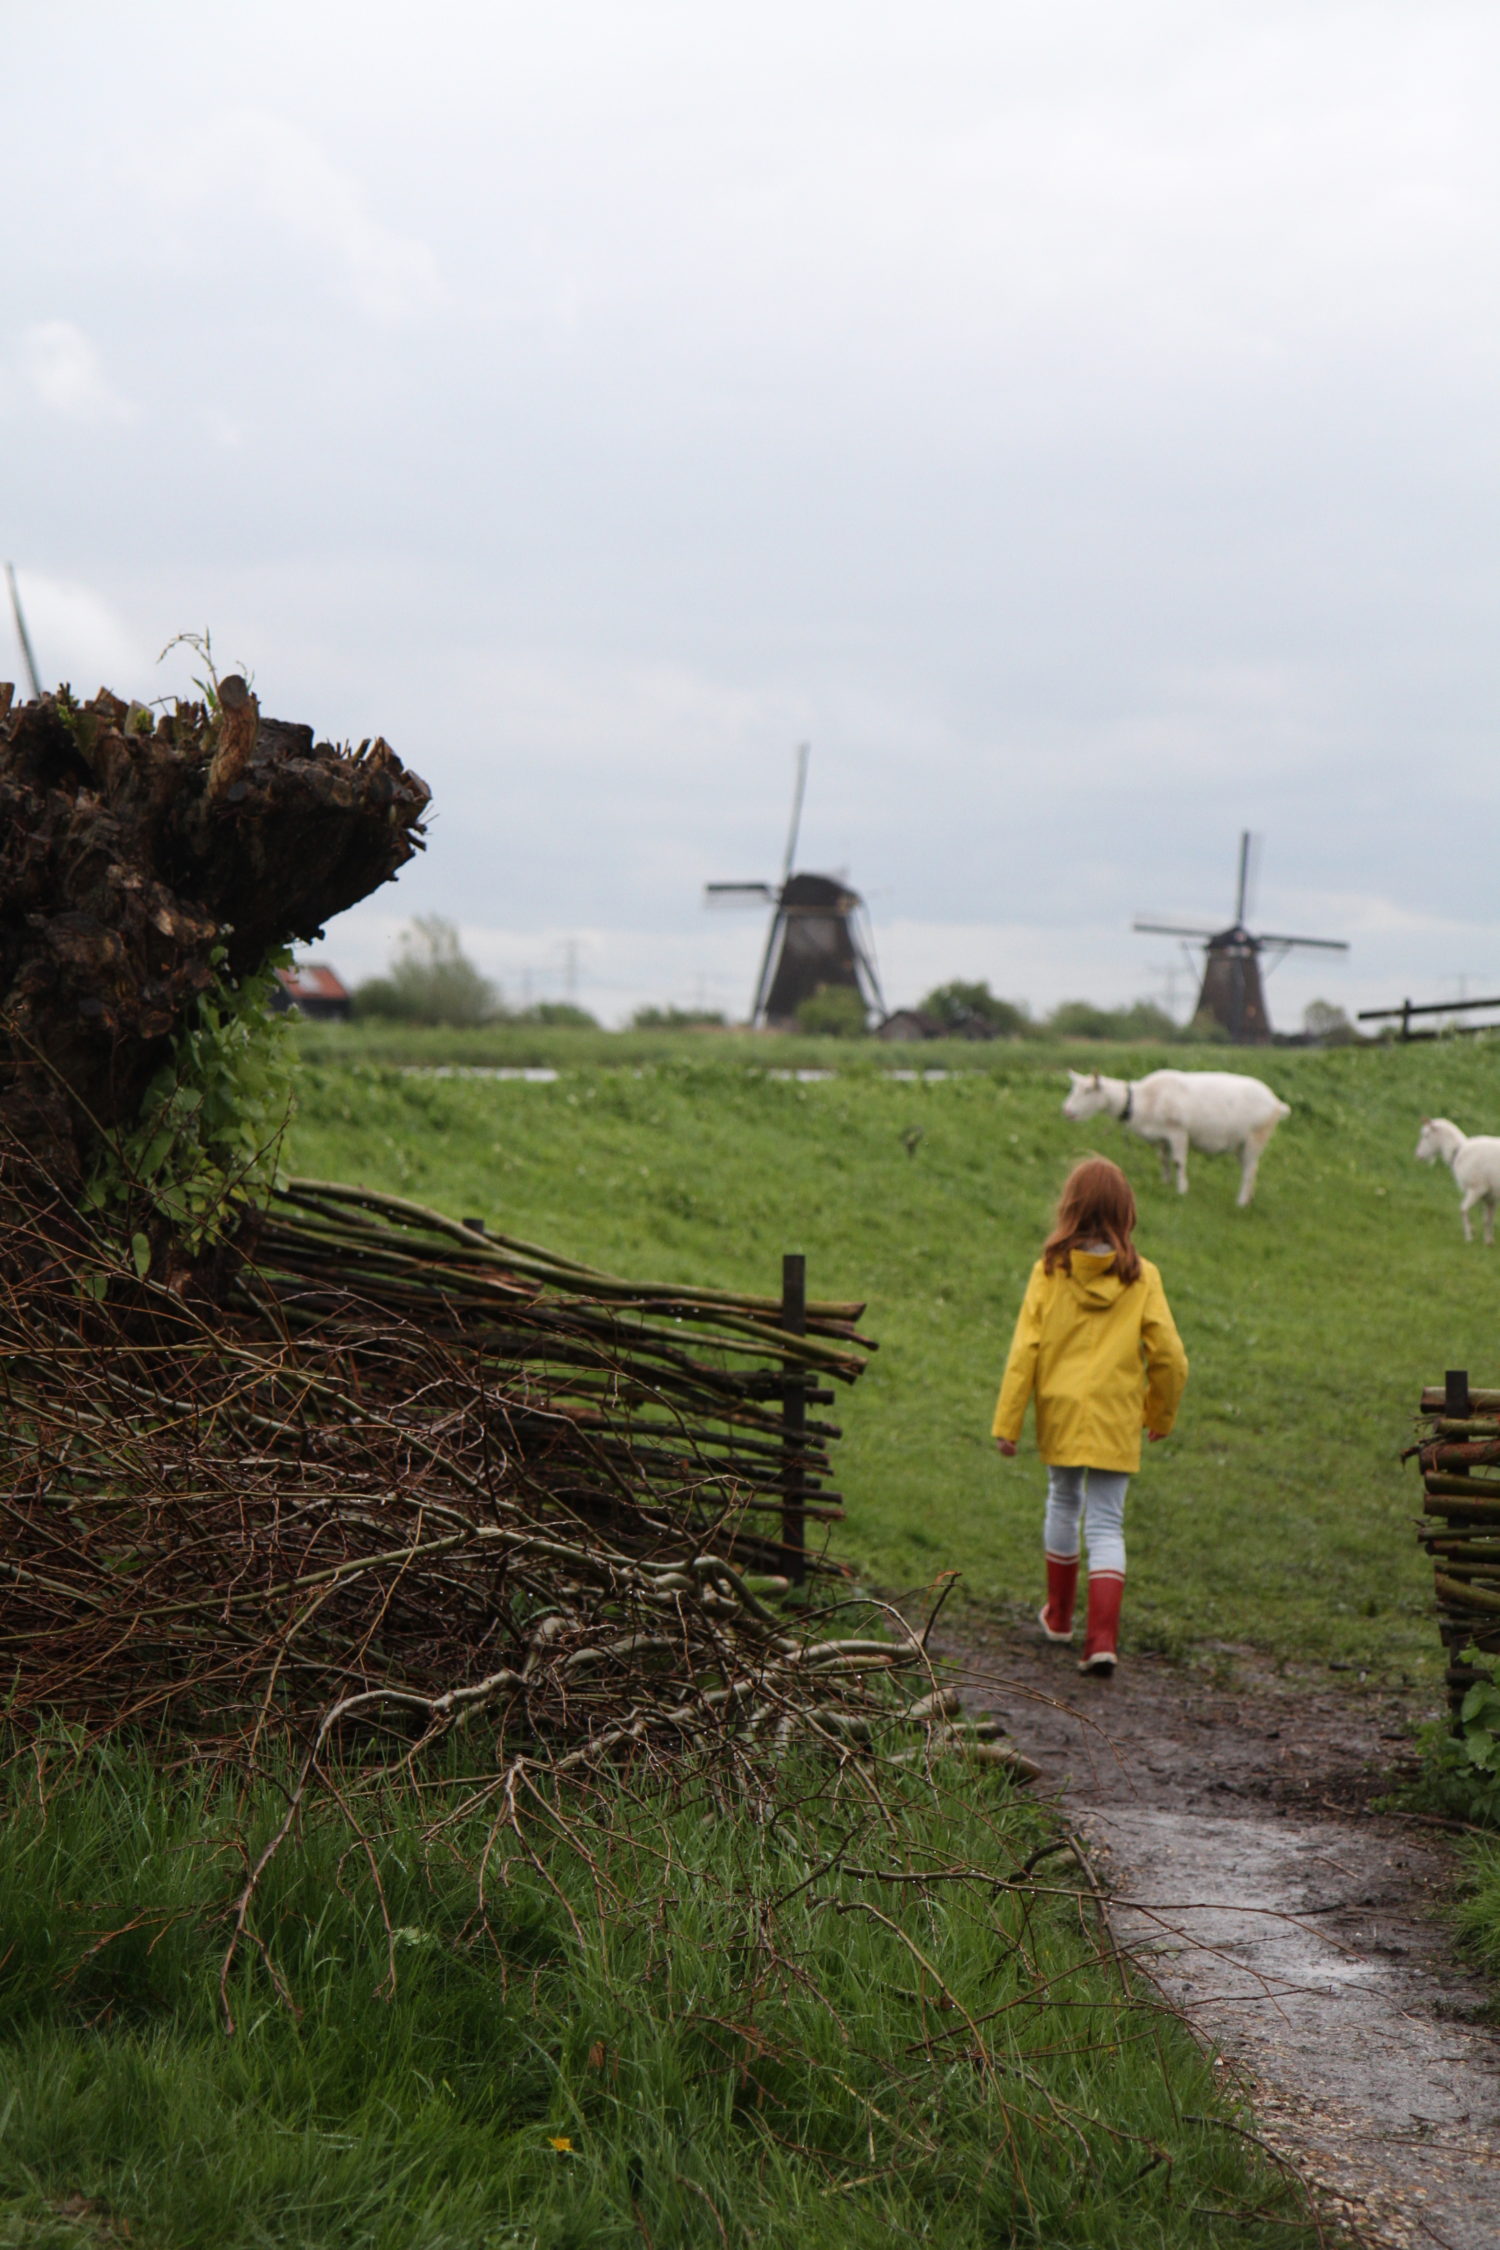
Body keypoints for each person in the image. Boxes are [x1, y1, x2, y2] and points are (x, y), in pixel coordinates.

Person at [991, 1156, 1188, 1675]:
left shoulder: (1049, 1273)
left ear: (1069, 1209)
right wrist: (1160, 1410)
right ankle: (1101, 1641)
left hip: (1060, 1410)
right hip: (1116, 1416)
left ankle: (1058, 1617)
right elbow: (1169, 1355)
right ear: (1126, 1212)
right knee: (1106, 1523)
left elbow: (1024, 1352)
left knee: (1063, 1500)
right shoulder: (1142, 1278)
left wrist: (1008, 1424)